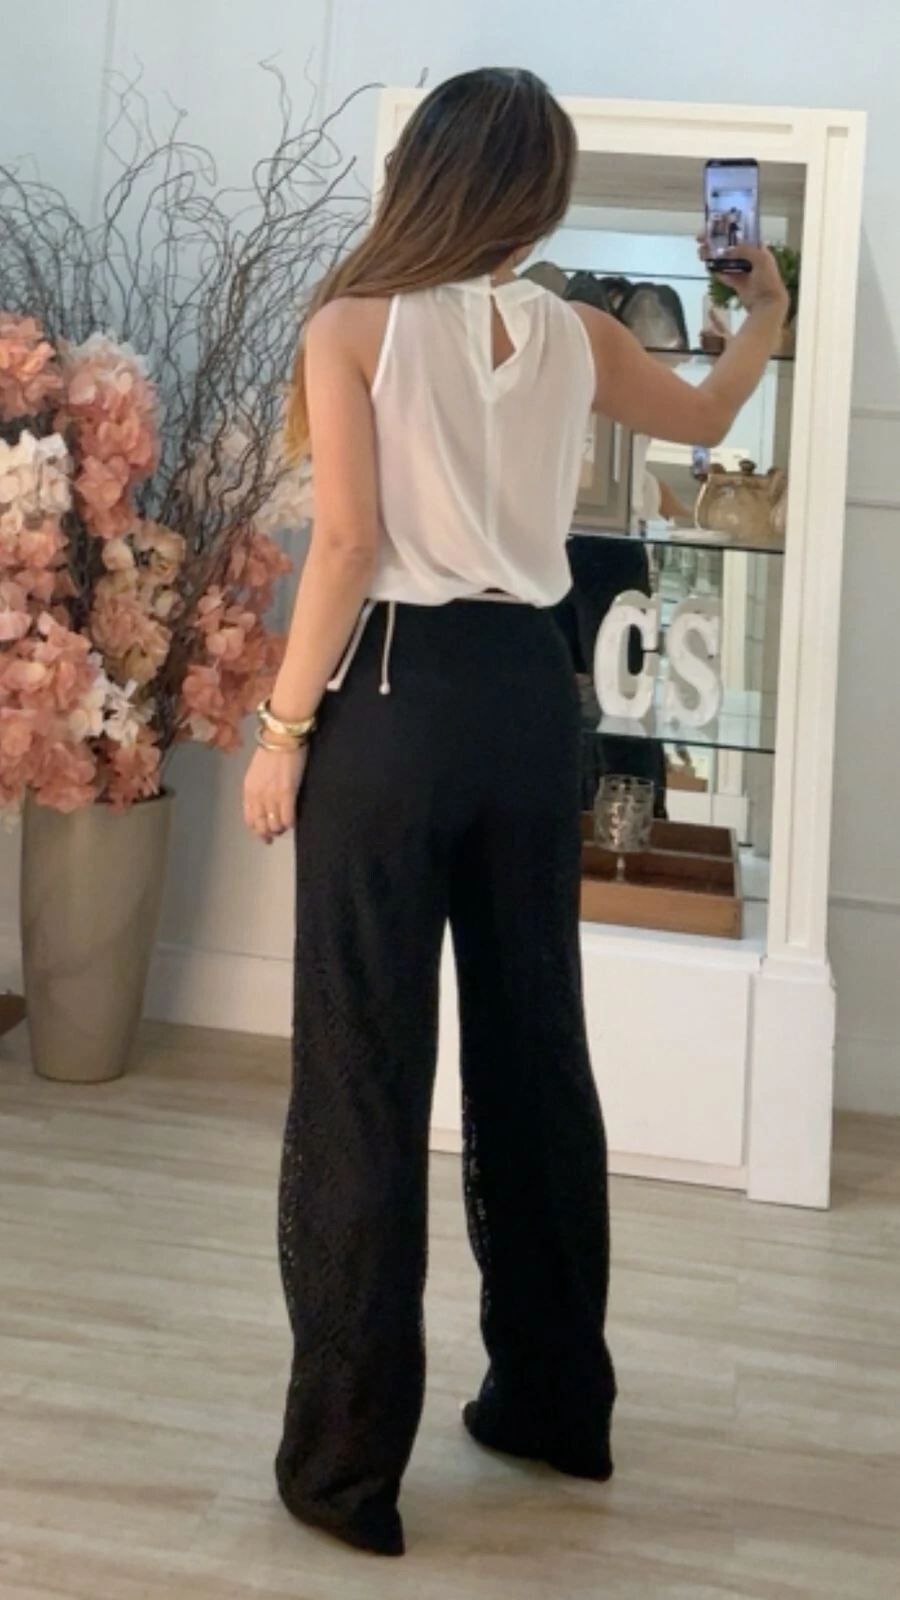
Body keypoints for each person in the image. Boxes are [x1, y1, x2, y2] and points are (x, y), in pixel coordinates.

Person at [242, 66, 788, 1558]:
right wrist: (764, 312)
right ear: (535, 194)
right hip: (532, 702)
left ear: (422, 171)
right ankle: (553, 1404)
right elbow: (710, 409)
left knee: (363, 1066)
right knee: (535, 1050)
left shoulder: (352, 326)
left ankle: (346, 1468)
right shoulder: (580, 332)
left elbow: (347, 541)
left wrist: (282, 729)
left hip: (397, 695)